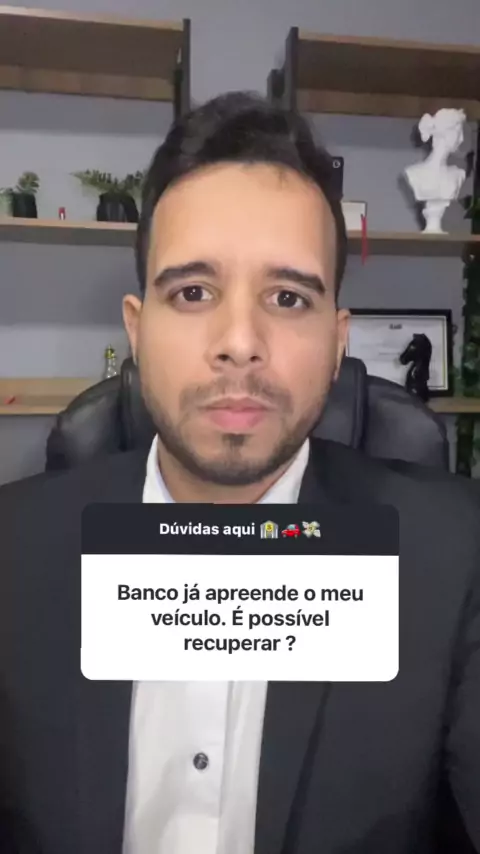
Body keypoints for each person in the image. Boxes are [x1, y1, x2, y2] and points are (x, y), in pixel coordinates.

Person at [1, 92, 480, 854]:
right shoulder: (13, 552)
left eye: (287, 297)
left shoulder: (458, 559)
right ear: (136, 331)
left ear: (337, 342)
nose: (239, 341)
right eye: (193, 292)